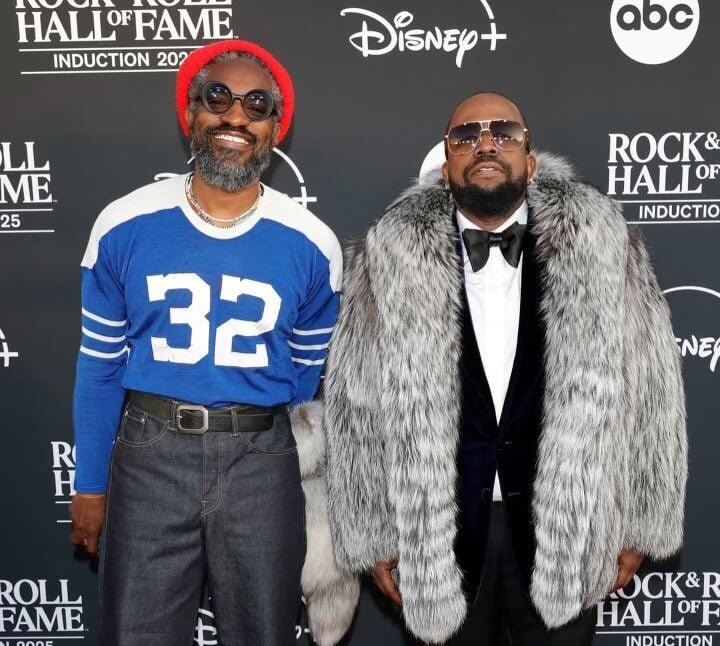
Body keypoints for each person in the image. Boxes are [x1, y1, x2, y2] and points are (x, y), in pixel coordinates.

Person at [324, 92, 687, 645]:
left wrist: (643, 521)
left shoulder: (603, 246)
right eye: (467, 136)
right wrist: (372, 532)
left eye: (504, 133)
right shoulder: (388, 256)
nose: (486, 144)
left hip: (568, 534)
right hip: (439, 541)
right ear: (447, 166)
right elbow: (354, 402)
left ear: (530, 161)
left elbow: (655, 385)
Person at [70, 39, 344, 646]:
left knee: (264, 633)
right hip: (150, 455)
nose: (235, 116)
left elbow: (305, 372)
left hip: (261, 460)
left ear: (275, 127)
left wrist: (253, 414)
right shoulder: (123, 224)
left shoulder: (312, 242)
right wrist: (89, 483)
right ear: (190, 113)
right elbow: (100, 366)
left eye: (256, 104)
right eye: (217, 97)